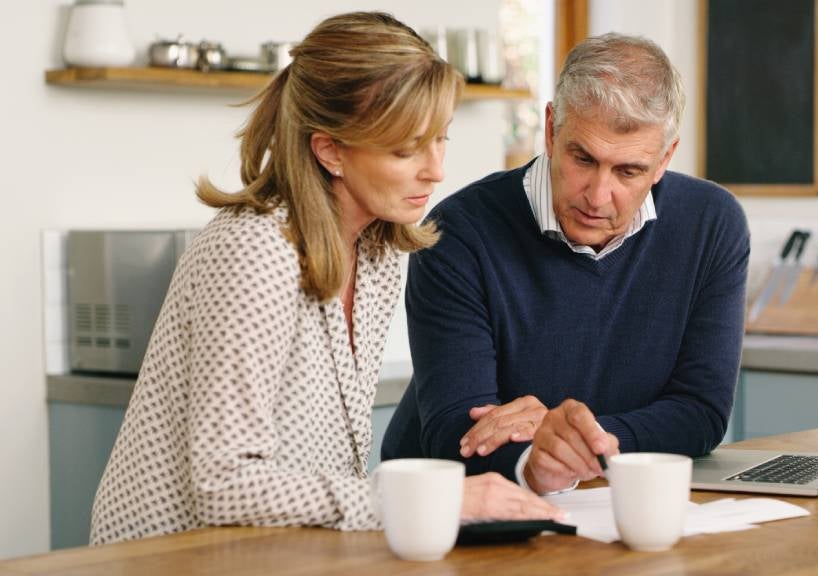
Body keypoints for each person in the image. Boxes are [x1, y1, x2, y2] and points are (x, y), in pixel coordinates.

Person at [90, 12, 561, 546]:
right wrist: (427, 500)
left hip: (281, 552)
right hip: (168, 557)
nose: (435, 170)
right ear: (330, 150)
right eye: (406, 149)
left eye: (440, 139)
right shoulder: (255, 249)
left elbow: (333, 463)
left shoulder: (380, 249)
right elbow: (222, 486)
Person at [382, 33, 749, 495]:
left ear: (664, 159)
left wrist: (572, 440)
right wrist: (542, 457)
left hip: (598, 497)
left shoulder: (711, 224)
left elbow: (700, 412)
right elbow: (455, 430)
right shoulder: (457, 232)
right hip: (447, 508)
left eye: (628, 171)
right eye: (583, 158)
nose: (598, 196)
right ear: (552, 127)